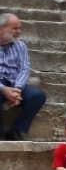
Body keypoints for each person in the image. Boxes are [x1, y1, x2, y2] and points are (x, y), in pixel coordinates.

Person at [0, 13, 46, 141]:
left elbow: (24, 69)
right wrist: (3, 89)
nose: (19, 32)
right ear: (2, 28)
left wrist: (17, 89)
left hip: (15, 84)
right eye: (15, 28)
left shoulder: (21, 46)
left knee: (37, 96)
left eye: (20, 28)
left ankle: (17, 130)